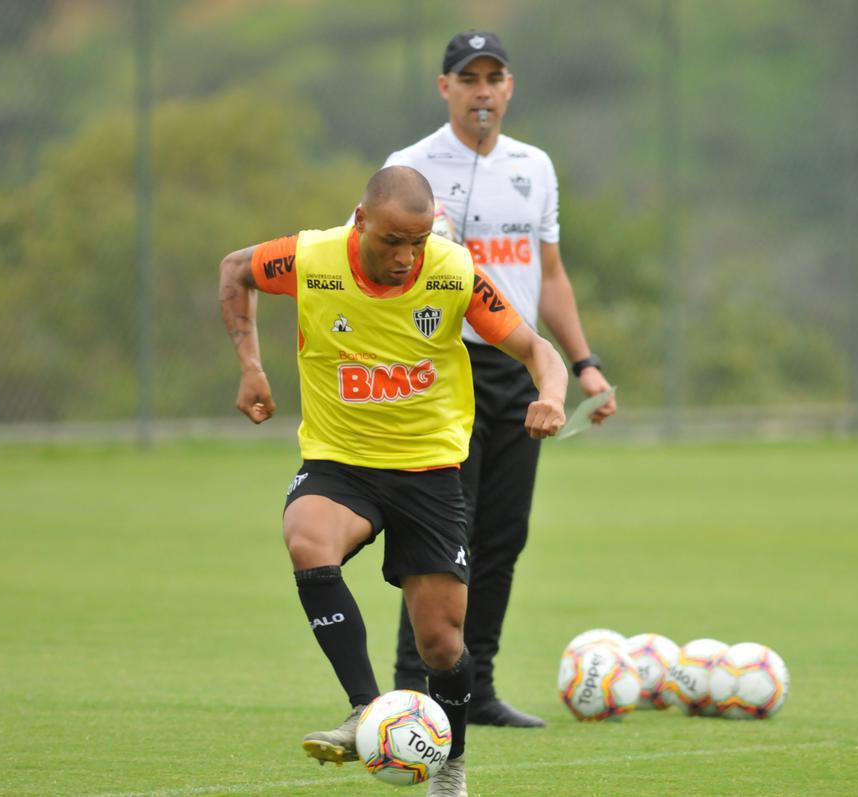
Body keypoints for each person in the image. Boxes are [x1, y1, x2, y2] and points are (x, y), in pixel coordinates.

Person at [218, 165, 568, 796]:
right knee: (306, 538)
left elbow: (537, 349)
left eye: (418, 241)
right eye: (392, 242)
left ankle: (451, 766)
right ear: (361, 221)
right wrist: (250, 366)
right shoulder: (311, 257)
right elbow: (235, 270)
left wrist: (553, 394)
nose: (406, 257)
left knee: (440, 643)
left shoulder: (453, 272)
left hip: (430, 471)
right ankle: (366, 707)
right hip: (341, 461)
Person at [379, 30, 617, 728]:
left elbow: (550, 276)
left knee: (503, 535)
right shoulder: (410, 166)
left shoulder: (534, 167)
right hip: (441, 370)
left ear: (510, 88)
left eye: (494, 78)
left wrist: (583, 363)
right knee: (441, 535)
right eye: (468, 78)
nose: (482, 91)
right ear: (444, 86)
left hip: (519, 370)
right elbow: (378, 264)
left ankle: (472, 688)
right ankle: (411, 689)